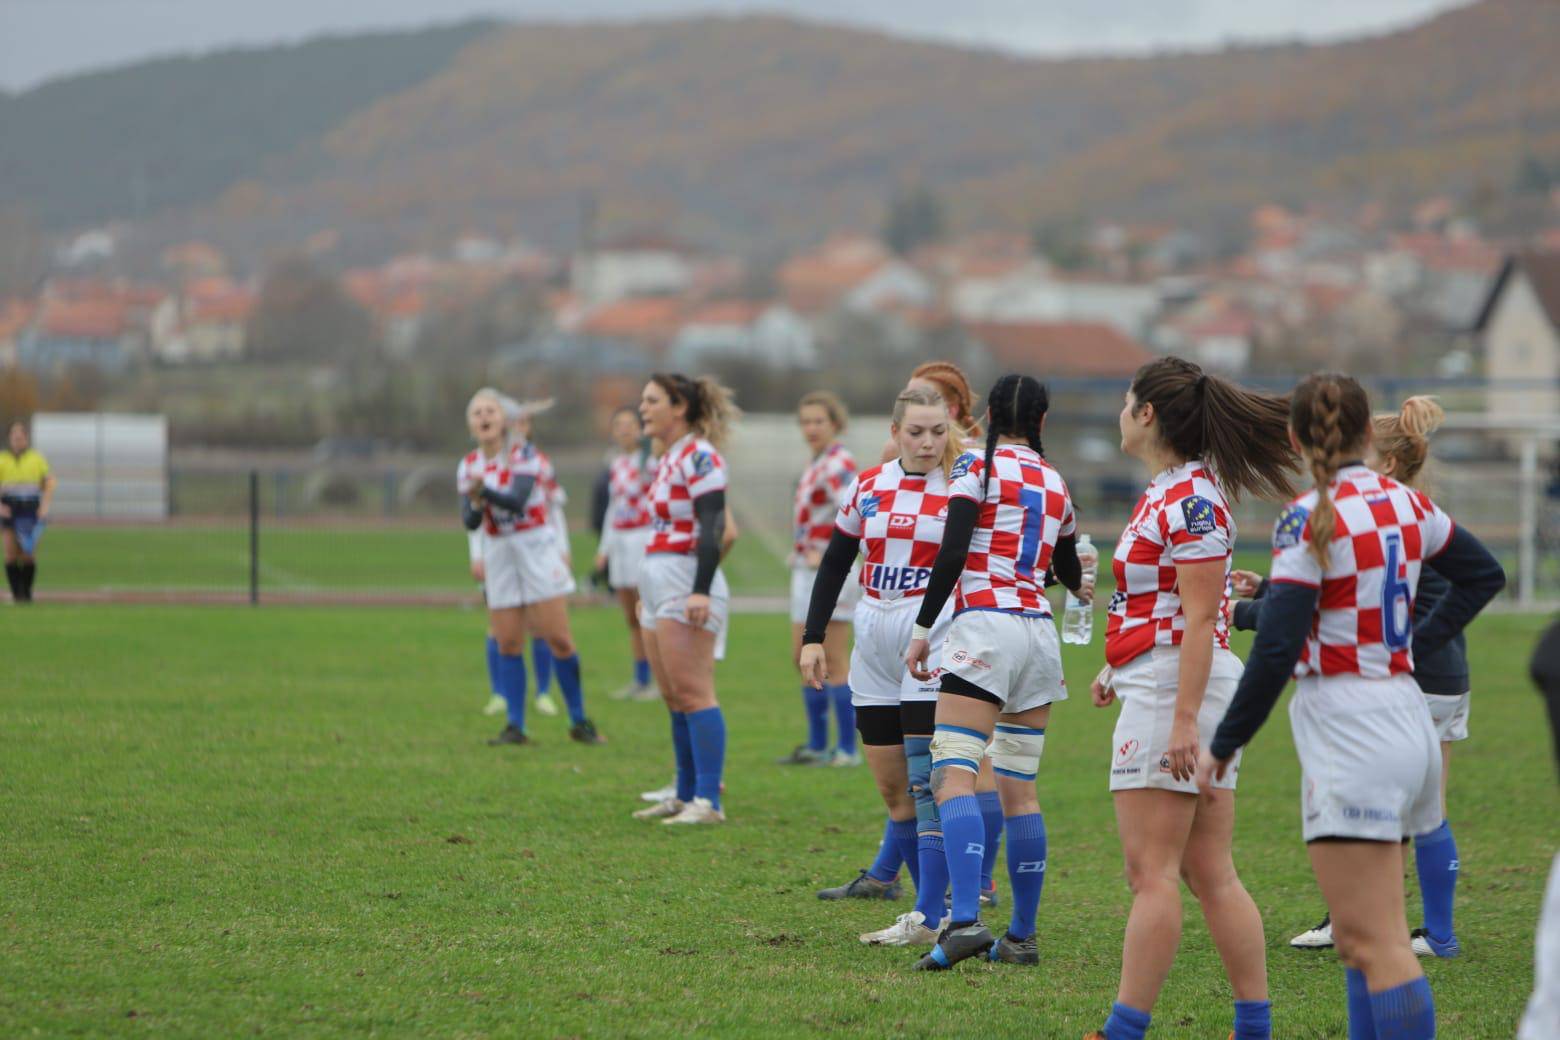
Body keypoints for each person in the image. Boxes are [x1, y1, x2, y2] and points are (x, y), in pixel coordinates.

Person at [1196, 373, 1504, 1040]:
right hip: (1403, 714)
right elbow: (1485, 574)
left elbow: (1277, 651)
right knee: (1364, 939)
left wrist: (1222, 745)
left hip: (1352, 727)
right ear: (1369, 434)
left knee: (1377, 944)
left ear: (1294, 437)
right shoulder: (1408, 505)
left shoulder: (1307, 517)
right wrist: (1418, 642)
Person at [1084, 357, 1296, 1040]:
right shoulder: (1175, 489)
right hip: (1167, 680)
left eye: (1125, 401)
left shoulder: (1190, 500)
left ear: (1147, 414)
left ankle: (1123, 1030)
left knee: (1151, 873)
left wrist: (1180, 722)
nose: (1121, 413)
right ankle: (1253, 1027)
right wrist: (1119, 665)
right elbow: (1169, 604)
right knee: (1208, 870)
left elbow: (1202, 620)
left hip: (1179, 691)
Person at [1233, 397, 1473, 958]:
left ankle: (1358, 922)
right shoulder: (1418, 514)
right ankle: (1437, 932)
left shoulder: (1386, 512)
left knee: (1362, 807)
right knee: (1427, 807)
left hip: (1398, 676)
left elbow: (1343, 600)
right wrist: (1271, 588)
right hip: (1444, 676)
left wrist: (1245, 613)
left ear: (1385, 462)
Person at [903, 373, 1089, 971]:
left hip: (986, 626)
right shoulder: (1055, 479)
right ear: (1041, 419)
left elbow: (953, 551)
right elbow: (1065, 566)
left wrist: (923, 628)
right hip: (1038, 633)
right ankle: (1023, 938)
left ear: (986, 413)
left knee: (952, 773)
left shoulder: (973, 467)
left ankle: (963, 923)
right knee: (1020, 788)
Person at [800, 386, 962, 939]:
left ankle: (936, 913)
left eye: (937, 431)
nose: (927, 442)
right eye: (915, 431)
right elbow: (835, 562)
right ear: (895, 433)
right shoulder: (867, 485)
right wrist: (814, 636)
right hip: (872, 636)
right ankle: (929, 913)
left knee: (925, 782)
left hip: (931, 635)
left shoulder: (964, 487)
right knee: (894, 789)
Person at [458, 388, 604, 747]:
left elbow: (519, 501)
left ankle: (578, 719)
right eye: (476, 412)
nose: (483, 417)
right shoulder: (468, 465)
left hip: (535, 546)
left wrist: (484, 493)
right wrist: (476, 503)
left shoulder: (525, 455)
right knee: (508, 641)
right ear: (470, 424)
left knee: (558, 638)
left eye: (490, 410)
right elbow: (471, 521)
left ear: (505, 419)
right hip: (499, 551)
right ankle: (515, 726)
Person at [631, 373, 739, 825]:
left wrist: (700, 588)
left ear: (679, 408)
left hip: (684, 581)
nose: (642, 408)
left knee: (695, 694)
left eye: (652, 400)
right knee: (674, 696)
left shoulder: (700, 455)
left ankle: (708, 802)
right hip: (659, 582)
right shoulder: (667, 458)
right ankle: (684, 791)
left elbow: (716, 525)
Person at [780, 391, 861, 767]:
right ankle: (816, 745)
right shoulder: (818, 462)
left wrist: (826, 550)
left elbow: (858, 515)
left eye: (818, 421)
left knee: (834, 659)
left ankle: (846, 749)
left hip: (831, 573)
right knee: (802, 654)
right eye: (805, 421)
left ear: (836, 424)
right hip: (804, 569)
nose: (810, 428)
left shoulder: (839, 464)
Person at [595, 407, 659, 702]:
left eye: (630, 424)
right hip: (620, 541)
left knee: (646, 612)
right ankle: (640, 678)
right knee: (630, 616)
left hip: (641, 538)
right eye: (618, 424)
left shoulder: (651, 462)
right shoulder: (616, 463)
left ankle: (660, 679)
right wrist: (604, 549)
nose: (624, 430)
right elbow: (613, 507)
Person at [1, 420, 55, 604]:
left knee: (28, 553)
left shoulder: (36, 458)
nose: (18, 439)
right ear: (9, 439)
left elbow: (49, 483)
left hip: (30, 509)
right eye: (14, 436)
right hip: (9, 509)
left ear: (26, 438)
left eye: (21, 436)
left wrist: (45, 506)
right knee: (10, 553)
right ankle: (16, 595)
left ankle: (26, 593)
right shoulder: (3, 459)